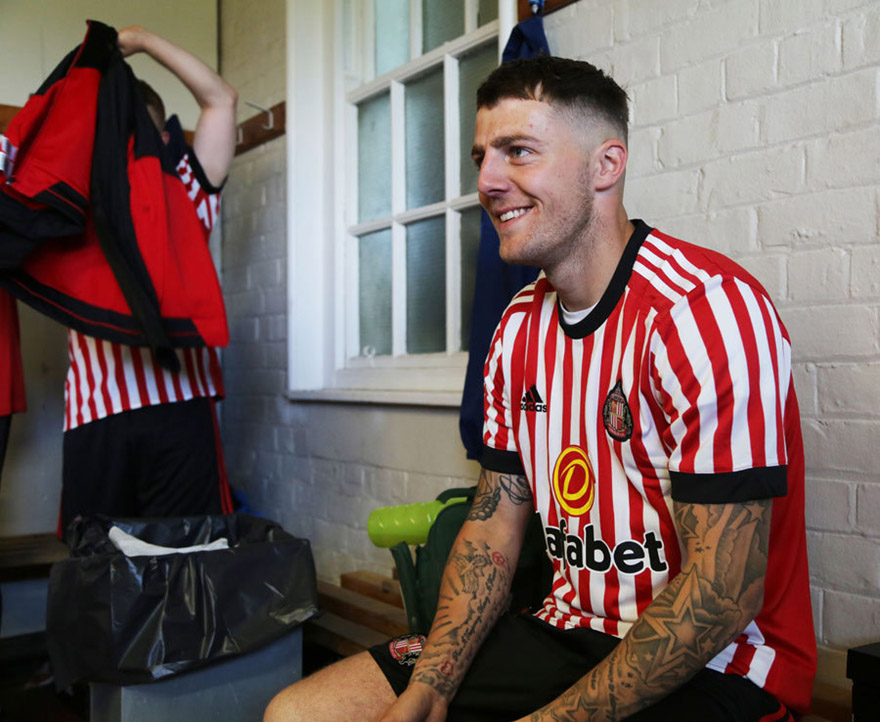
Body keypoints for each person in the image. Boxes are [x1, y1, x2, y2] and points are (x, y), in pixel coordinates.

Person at [265, 56, 816, 722]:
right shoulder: (519, 325)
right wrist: (430, 687)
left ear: (605, 165)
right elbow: (493, 527)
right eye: (482, 158)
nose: (487, 182)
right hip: (565, 630)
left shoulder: (704, 312)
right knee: (301, 712)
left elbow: (722, 595)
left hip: (720, 664)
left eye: (518, 152)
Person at [60, 26, 238, 534]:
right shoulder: (74, 203)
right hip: (96, 414)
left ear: (163, 141)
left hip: (180, 410)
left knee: (188, 554)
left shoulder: (189, 191)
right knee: (98, 559)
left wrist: (142, 41)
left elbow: (221, 100)